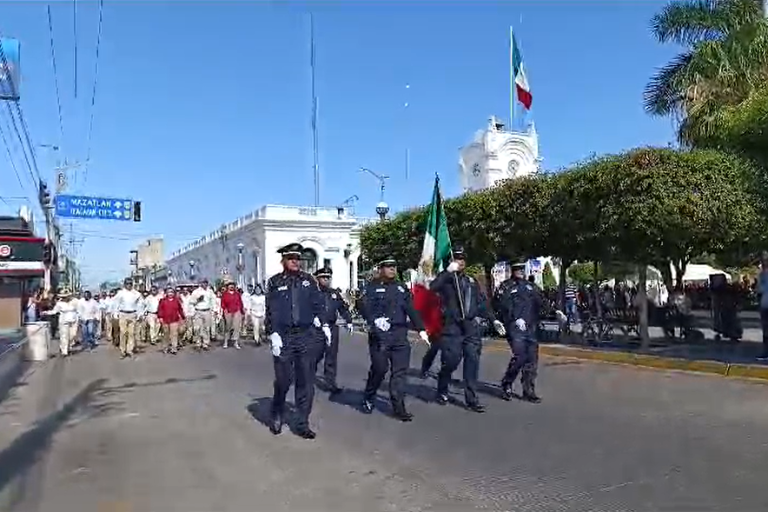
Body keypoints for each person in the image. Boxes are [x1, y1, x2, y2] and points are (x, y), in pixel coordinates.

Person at [430, 246, 505, 412]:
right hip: (452, 327)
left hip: (470, 327)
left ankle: (471, 399)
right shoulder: (447, 280)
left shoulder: (471, 281)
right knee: (451, 361)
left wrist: (494, 320)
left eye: (462, 258)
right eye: (457, 258)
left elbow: (482, 303)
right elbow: (432, 287)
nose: (460, 261)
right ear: (451, 261)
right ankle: (442, 386)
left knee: (472, 362)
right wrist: (447, 272)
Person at [266, 242, 327, 439]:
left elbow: (318, 303)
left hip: (305, 336)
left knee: (306, 381)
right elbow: (271, 310)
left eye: (298, 258)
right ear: (283, 260)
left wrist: (323, 322)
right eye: (291, 258)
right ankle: (277, 411)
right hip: (284, 337)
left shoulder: (309, 280)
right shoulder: (275, 282)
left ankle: (302, 423)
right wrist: (273, 333)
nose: (295, 261)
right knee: (284, 380)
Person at [359, 258, 429, 421]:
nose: (392, 269)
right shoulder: (371, 287)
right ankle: (369, 396)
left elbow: (410, 308)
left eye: (394, 267)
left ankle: (398, 407)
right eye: (388, 267)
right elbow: (362, 305)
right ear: (381, 269)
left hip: (399, 335)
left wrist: (421, 328)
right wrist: (373, 319)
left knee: (400, 372)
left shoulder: (401, 288)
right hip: (380, 335)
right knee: (380, 369)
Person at [496, 262, 543, 403]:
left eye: (522, 269)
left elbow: (541, 301)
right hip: (514, 328)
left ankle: (528, 390)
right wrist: (514, 318)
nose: (521, 272)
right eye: (518, 269)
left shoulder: (531, 287)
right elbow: (501, 305)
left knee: (532, 360)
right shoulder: (506, 286)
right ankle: (507, 383)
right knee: (520, 357)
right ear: (512, 270)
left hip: (531, 327)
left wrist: (557, 311)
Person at [313, 267, 354, 395]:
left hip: (331, 327)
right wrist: (314, 318)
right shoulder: (311, 293)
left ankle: (330, 383)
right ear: (318, 279)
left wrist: (349, 320)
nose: (326, 280)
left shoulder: (334, 293)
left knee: (331, 356)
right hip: (316, 329)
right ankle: (307, 377)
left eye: (328, 277)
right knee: (315, 355)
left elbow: (342, 308)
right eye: (324, 277)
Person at [113, 278, 142, 359]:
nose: (128, 285)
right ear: (124, 285)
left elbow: (139, 305)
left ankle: (130, 350)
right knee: (123, 333)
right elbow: (116, 303)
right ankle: (123, 350)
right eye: (127, 284)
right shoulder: (120, 293)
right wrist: (115, 313)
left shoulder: (136, 294)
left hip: (132, 314)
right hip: (123, 314)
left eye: (130, 284)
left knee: (131, 333)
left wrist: (139, 314)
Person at [157, 287, 186, 354]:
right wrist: (160, 317)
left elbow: (180, 309)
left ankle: (174, 348)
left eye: (172, 292)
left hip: (174, 320)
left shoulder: (176, 300)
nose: (170, 294)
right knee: (166, 335)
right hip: (165, 320)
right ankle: (165, 348)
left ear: (174, 293)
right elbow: (160, 309)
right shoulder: (163, 300)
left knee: (174, 334)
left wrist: (183, 317)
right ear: (166, 293)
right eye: (169, 292)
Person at [190, 279, 216, 351]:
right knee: (197, 328)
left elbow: (213, 301)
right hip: (198, 311)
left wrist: (214, 310)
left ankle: (205, 343)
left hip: (207, 311)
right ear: (200, 283)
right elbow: (191, 302)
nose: (204, 284)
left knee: (206, 328)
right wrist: (198, 300)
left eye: (206, 283)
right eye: (203, 282)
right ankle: (198, 343)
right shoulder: (196, 292)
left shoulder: (210, 291)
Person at [221, 280, 245, 349]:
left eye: (232, 285)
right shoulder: (225, 294)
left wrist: (242, 312)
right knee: (227, 327)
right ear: (227, 286)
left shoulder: (237, 294)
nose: (231, 286)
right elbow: (222, 303)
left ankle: (236, 342)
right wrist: (224, 310)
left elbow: (240, 303)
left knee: (236, 327)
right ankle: (226, 341)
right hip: (228, 311)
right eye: (230, 285)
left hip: (237, 311)